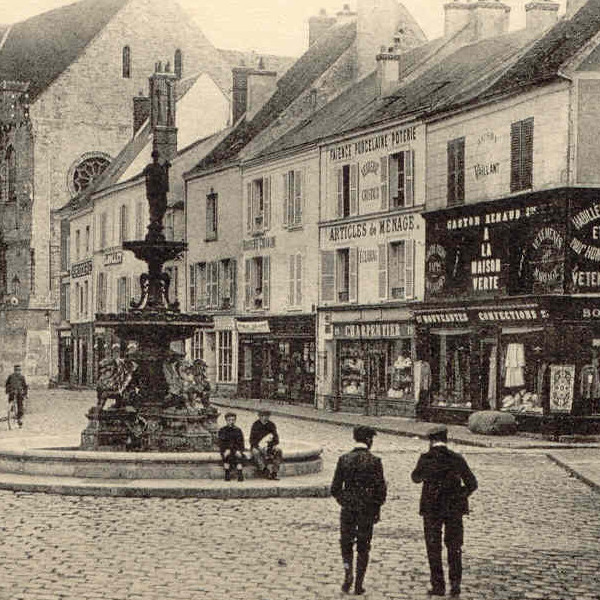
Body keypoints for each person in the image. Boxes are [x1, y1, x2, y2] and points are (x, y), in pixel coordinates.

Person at [411, 425, 478, 597]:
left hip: (431, 509)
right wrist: (460, 495)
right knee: (454, 546)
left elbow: (415, 478)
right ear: (446, 440)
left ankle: (438, 586)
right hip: (453, 509)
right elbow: (472, 483)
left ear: (431, 441)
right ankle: (455, 585)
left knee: (433, 547)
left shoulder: (426, 458)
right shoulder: (457, 458)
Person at [331, 426, 387, 596]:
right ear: (369, 441)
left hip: (348, 509)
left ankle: (348, 572)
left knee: (346, 543)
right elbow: (381, 490)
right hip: (367, 510)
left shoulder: (344, 459)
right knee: (364, 546)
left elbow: (335, 488)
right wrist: (376, 507)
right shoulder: (375, 461)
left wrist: (344, 501)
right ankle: (359, 584)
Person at [249, 409, 282, 480]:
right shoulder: (255, 425)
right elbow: (251, 440)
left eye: (267, 416)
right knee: (256, 452)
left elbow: (276, 439)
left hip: (269, 446)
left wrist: (272, 445)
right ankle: (264, 470)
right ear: (260, 416)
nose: (265, 417)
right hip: (257, 446)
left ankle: (274, 472)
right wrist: (258, 447)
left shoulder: (271, 425)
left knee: (278, 451)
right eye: (263, 416)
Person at [217, 412, 245, 482]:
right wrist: (226, 450)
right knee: (227, 456)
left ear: (235, 420)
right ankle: (227, 474)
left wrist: (238, 450)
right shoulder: (222, 430)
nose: (231, 422)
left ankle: (240, 474)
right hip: (226, 450)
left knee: (238, 457)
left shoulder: (238, 430)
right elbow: (221, 443)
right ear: (226, 421)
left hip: (236, 450)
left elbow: (241, 443)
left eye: (233, 420)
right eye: (229, 420)